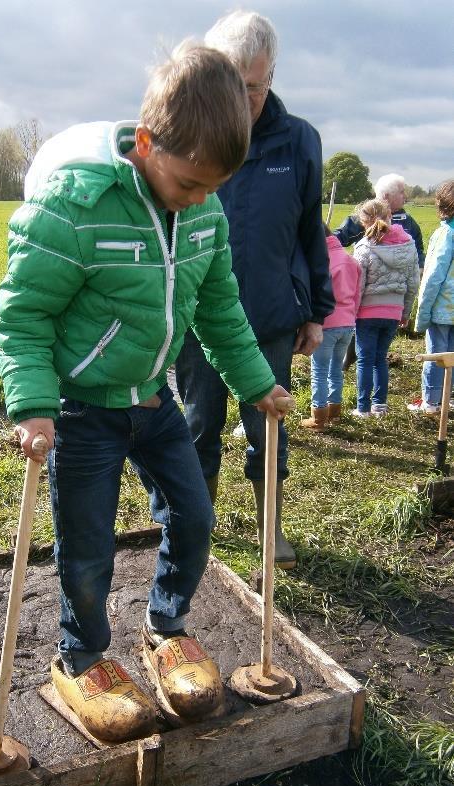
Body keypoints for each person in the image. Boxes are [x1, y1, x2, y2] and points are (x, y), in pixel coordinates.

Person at [0, 45, 291, 742]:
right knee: (88, 548)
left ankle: (165, 628)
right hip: (80, 410)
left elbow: (220, 312)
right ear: (147, 142)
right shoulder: (75, 207)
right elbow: (23, 315)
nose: (199, 197)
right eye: (189, 182)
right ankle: (83, 658)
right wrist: (33, 407)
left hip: (155, 401)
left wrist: (258, 384)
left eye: (214, 187)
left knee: (194, 517)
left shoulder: (206, 217)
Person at [174, 10, 334, 569]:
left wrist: (315, 311)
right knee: (197, 425)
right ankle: (192, 527)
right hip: (196, 316)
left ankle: (271, 530)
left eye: (253, 87)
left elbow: (311, 231)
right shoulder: (188, 133)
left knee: (269, 426)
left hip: (268, 315)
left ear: (272, 77)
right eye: (228, 83)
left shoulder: (299, 142)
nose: (240, 100)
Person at [351, 199, 419, 417]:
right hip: (394, 310)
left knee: (365, 359)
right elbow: (413, 282)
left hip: (368, 312)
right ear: (390, 215)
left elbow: (358, 285)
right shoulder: (408, 244)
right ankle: (380, 405)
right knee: (380, 358)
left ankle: (363, 407)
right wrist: (405, 312)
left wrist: (352, 312)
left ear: (364, 222)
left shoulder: (364, 246)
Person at [301, 224, 362, 431]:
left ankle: (318, 417)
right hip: (348, 323)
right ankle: (335, 411)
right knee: (336, 368)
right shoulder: (351, 260)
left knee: (319, 370)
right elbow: (357, 294)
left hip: (327, 323)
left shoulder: (322, 262)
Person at [408, 180, 454, 415]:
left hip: (443, 308)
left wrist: (422, 312)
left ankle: (432, 402)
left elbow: (433, 276)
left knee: (436, 355)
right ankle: (448, 398)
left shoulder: (446, 233)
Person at [334, 173, 425, 268]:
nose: (405, 196)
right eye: (401, 192)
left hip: (400, 280)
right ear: (386, 196)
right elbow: (335, 239)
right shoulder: (365, 217)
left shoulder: (408, 221)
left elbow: (418, 251)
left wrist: (420, 269)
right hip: (370, 279)